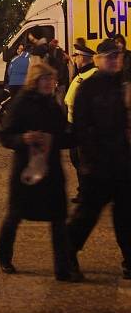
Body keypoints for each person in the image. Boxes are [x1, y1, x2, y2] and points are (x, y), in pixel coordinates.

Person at [0, 61, 77, 281]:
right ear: (35, 81)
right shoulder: (21, 103)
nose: (50, 83)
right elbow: (5, 136)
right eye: (45, 79)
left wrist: (77, 135)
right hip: (26, 169)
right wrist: (23, 138)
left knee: (59, 219)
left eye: (52, 80)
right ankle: (4, 257)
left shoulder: (53, 103)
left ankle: (62, 268)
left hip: (51, 170)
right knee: (15, 215)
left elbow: (62, 134)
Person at [67, 38, 131, 280]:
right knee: (86, 215)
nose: (115, 60)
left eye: (118, 56)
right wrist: (91, 161)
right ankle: (67, 255)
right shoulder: (87, 87)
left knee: (126, 215)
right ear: (99, 60)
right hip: (98, 164)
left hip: (122, 163)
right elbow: (82, 129)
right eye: (110, 57)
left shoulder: (120, 86)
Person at [64, 43, 97, 203]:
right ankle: (83, 190)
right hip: (73, 125)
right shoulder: (81, 74)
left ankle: (87, 193)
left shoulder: (92, 74)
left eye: (76, 56)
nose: (74, 59)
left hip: (82, 127)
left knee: (84, 161)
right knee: (77, 161)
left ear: (82, 58)